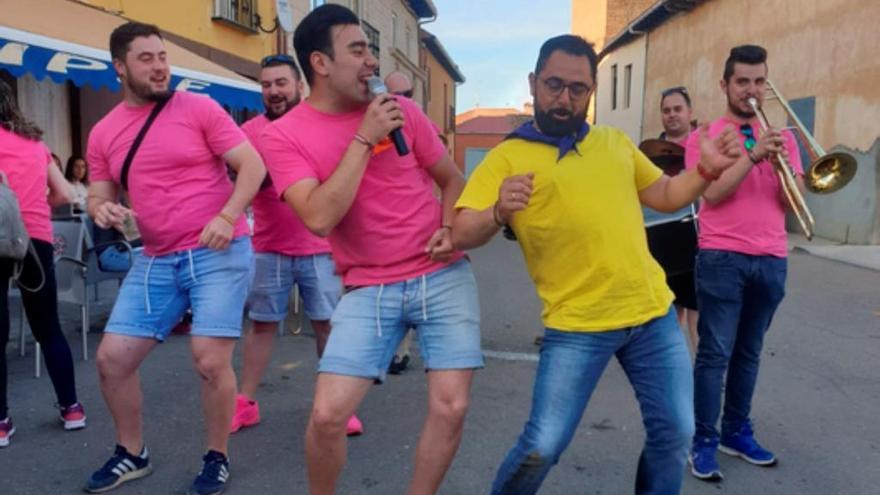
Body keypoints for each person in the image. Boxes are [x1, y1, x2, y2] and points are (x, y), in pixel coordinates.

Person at [452, 35, 741, 495]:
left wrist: (705, 172)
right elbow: (462, 231)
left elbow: (665, 197)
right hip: (577, 326)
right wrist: (497, 211)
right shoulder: (507, 156)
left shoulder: (613, 142)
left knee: (675, 434)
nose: (564, 99)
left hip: (651, 316)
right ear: (533, 82)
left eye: (577, 89)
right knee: (542, 444)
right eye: (553, 85)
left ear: (591, 92)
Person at [259, 5, 482, 494]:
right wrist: (364, 139)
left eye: (371, 50)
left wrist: (449, 226)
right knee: (326, 415)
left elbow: (451, 180)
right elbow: (318, 216)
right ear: (320, 63)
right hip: (367, 284)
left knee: (452, 406)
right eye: (358, 50)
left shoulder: (406, 113)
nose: (371, 62)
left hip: (441, 274)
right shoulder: (282, 136)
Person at [82, 22, 265, 494]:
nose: (160, 66)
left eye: (162, 56)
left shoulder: (199, 108)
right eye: (146, 58)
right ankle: (131, 452)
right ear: (120, 67)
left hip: (216, 250)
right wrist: (100, 207)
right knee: (112, 360)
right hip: (156, 258)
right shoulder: (104, 133)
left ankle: (216, 457)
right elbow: (98, 195)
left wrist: (228, 216)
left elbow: (253, 166)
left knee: (208, 359)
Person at [686, 44, 801, 483]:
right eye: (742, 82)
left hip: (771, 258)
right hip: (722, 257)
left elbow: (793, 206)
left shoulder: (784, 136)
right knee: (714, 354)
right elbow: (711, 194)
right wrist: (753, 157)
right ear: (725, 85)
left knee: (749, 354)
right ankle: (703, 442)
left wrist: (783, 164)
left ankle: (736, 431)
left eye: (759, 82)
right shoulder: (708, 135)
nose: (752, 91)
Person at [232, 53, 358, 436]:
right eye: (266, 85)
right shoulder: (250, 132)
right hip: (269, 245)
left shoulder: (320, 126)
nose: (273, 91)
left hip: (320, 247)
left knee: (327, 327)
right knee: (262, 326)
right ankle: (245, 403)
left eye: (281, 83)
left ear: (300, 86)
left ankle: (338, 407)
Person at [0, 79, 85, 449]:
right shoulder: (36, 145)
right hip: (36, 240)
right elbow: (65, 194)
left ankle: (1, 423)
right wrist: (30, 205)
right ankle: (72, 409)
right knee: (48, 328)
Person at [652, 86, 700, 351]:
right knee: (670, 315)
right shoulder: (650, 152)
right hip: (663, 241)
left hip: (700, 239)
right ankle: (675, 370)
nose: (672, 115)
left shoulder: (705, 146)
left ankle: (706, 378)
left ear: (689, 112)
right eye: (666, 110)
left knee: (698, 314)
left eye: (677, 109)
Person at [383, 70, 416, 375]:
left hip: (413, 229)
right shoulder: (375, 128)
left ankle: (400, 353)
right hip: (381, 231)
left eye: (406, 96)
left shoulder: (424, 127)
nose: (401, 102)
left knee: (407, 290)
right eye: (395, 96)